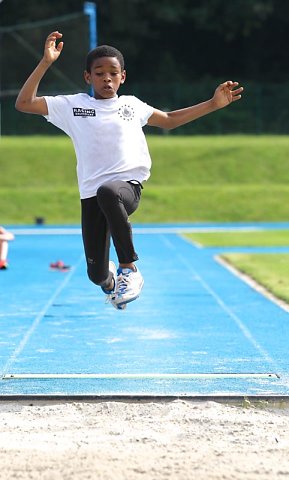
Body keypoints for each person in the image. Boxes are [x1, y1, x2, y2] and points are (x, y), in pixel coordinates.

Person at [15, 31, 243, 309]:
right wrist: (46, 62)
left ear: (123, 76)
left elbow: (170, 120)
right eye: (99, 73)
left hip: (126, 189)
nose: (106, 78)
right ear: (88, 77)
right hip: (91, 197)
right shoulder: (73, 106)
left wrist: (212, 104)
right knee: (95, 274)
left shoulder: (131, 105)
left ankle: (129, 270)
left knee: (109, 191)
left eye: (113, 73)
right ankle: (111, 283)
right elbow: (24, 103)